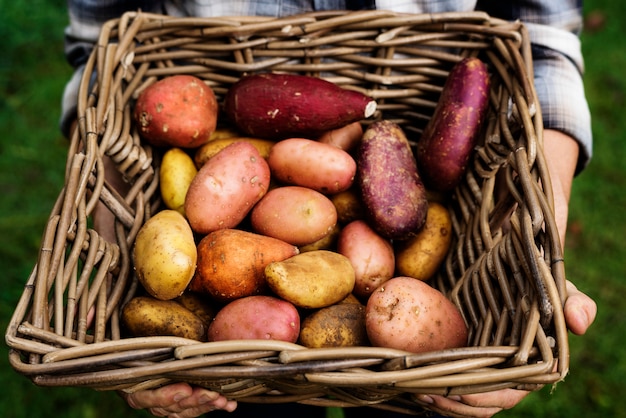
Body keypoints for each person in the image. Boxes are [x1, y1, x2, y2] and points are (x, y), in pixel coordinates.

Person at [60, 1, 598, 417]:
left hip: (417, 374)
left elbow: (542, 47)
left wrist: (536, 240)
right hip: (219, 371)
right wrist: (108, 238)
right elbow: (102, 58)